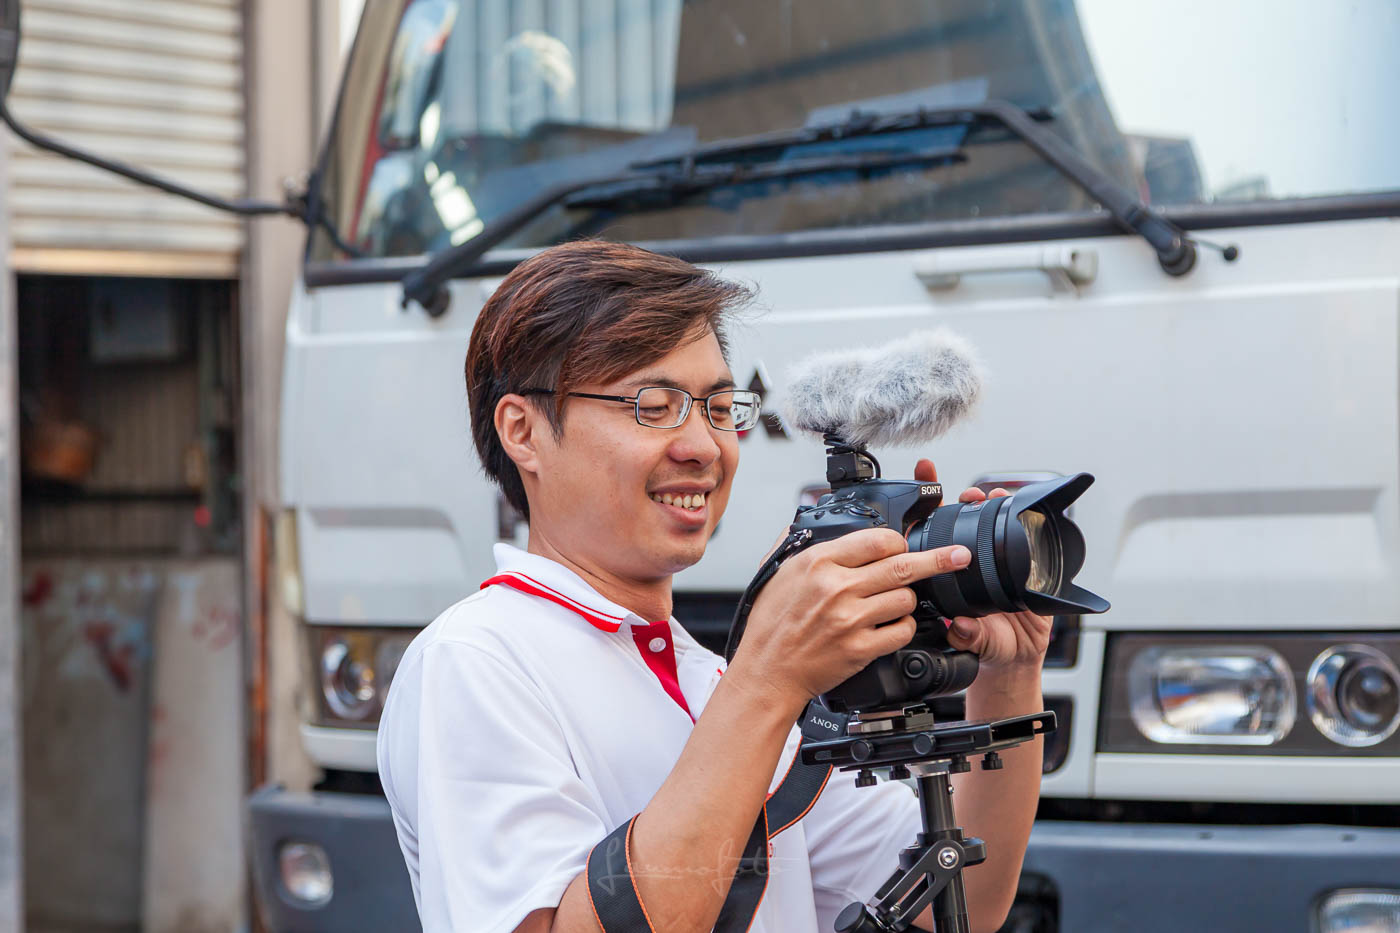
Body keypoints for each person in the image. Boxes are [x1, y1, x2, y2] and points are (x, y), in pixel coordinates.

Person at [377, 240, 1053, 933]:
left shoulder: (708, 679)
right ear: (523, 431)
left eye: (720, 407)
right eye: (653, 405)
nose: (703, 446)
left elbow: (960, 901)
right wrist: (768, 681)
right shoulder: (475, 661)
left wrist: (1009, 675)